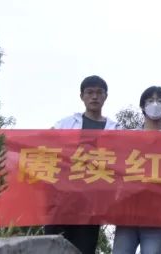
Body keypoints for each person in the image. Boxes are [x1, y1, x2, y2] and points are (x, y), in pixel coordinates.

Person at [46, 75, 118, 254]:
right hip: (61, 201)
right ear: (82, 96)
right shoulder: (66, 124)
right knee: (53, 248)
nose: (94, 97)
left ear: (105, 96)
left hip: (91, 205)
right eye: (90, 92)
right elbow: (45, 144)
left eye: (99, 93)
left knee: (84, 248)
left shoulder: (116, 129)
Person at [114, 86, 161, 254]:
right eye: (150, 101)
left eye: (160, 101)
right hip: (127, 210)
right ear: (142, 106)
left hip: (157, 214)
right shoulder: (126, 137)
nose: (155, 104)